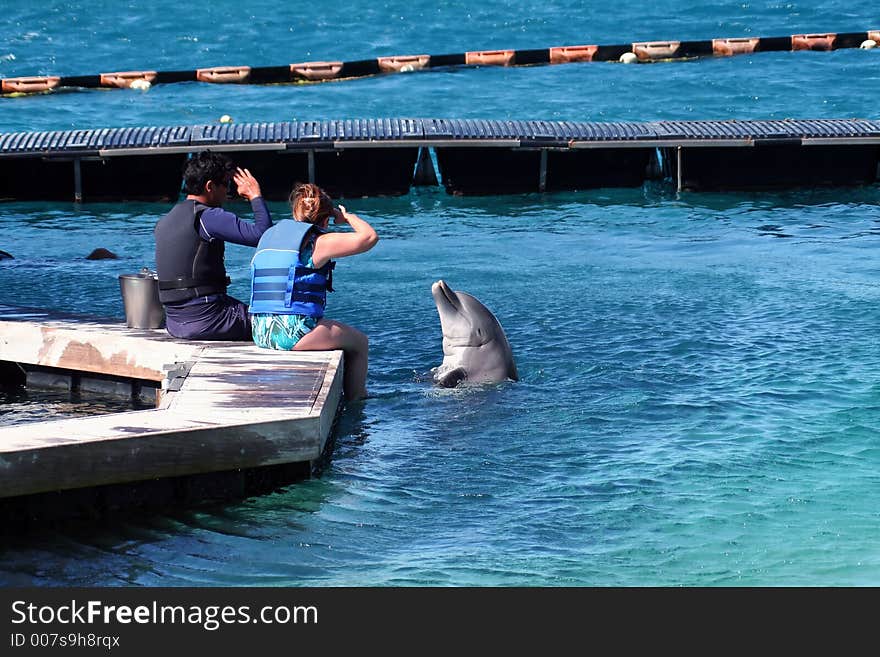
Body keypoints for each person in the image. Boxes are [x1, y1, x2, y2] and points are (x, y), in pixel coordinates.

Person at [249, 183, 378, 401]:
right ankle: (358, 400)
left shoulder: (269, 237)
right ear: (326, 220)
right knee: (359, 343)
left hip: (260, 331)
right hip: (291, 335)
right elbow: (369, 237)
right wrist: (347, 217)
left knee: (331, 330)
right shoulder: (319, 242)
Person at [154, 151, 271, 340]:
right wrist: (255, 196)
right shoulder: (208, 217)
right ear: (210, 186)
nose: (228, 193)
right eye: (226, 185)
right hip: (210, 320)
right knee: (277, 322)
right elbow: (264, 236)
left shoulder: (166, 220)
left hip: (175, 323)